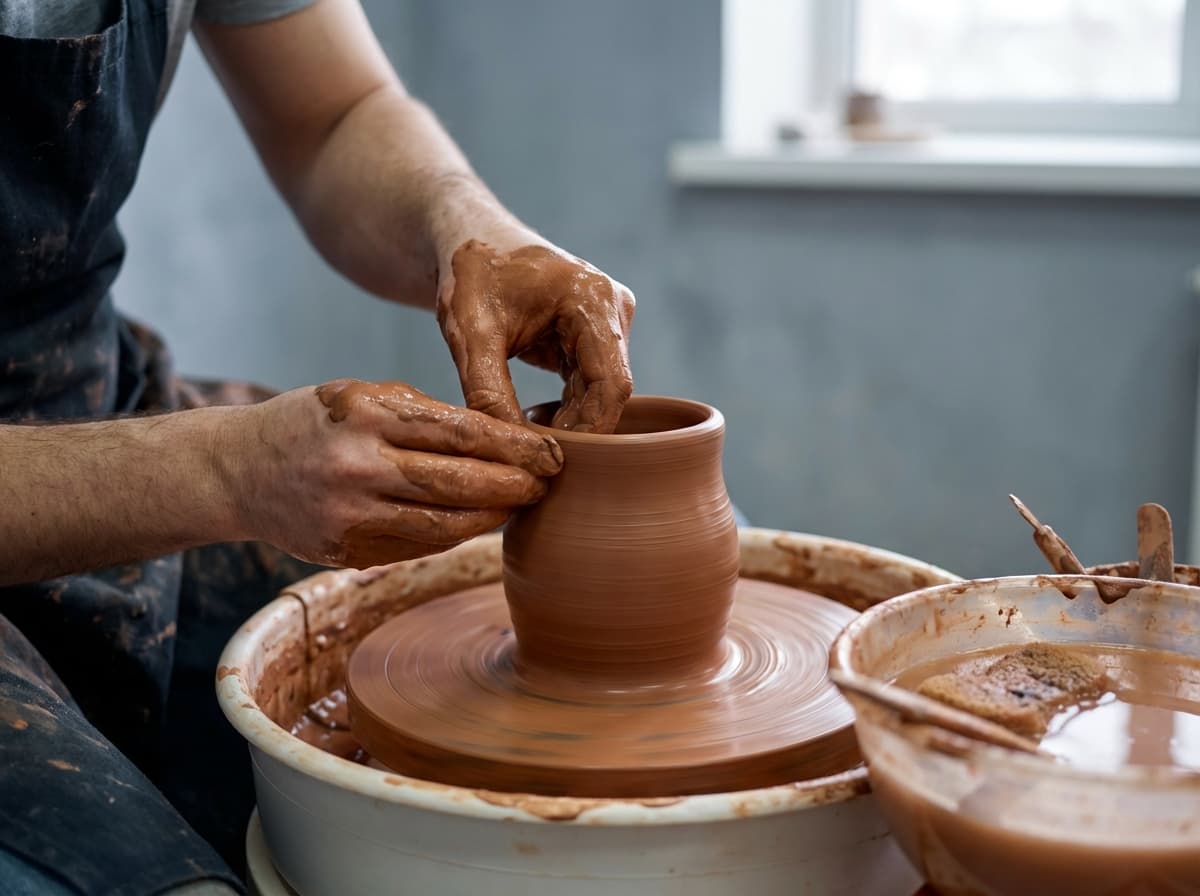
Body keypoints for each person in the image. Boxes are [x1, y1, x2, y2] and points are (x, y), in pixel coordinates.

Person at [0, 0, 635, 891]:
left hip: (81, 385)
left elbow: (336, 117)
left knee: (603, 571)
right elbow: (227, 471)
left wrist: (471, 231)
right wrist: (227, 471)